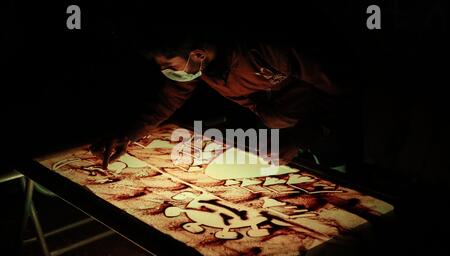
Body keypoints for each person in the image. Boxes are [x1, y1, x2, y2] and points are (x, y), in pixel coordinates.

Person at [90, 27, 361, 171]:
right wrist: (130, 132)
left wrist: (301, 138)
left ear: (197, 53)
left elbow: (339, 89)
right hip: (279, 129)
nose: (168, 72)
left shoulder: (265, 47)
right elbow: (171, 96)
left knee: (333, 178)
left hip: (323, 123)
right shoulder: (203, 68)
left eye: (171, 65)